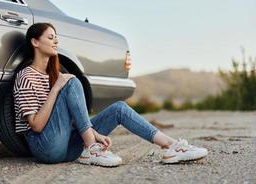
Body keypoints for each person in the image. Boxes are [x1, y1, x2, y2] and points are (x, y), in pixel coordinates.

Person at [13, 23, 208, 166]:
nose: (56, 41)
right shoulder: (25, 76)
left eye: (56, 38)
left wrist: (95, 133)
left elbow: (65, 121)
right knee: (71, 81)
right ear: (35, 42)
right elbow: (37, 126)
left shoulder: (53, 76)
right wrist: (56, 88)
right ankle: (91, 150)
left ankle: (171, 147)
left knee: (119, 109)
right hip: (45, 148)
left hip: (66, 146)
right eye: (50, 37)